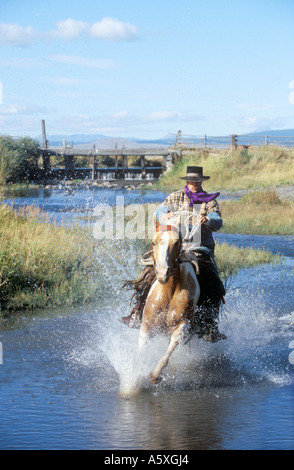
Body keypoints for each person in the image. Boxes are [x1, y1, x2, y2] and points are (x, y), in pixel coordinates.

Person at [121, 166, 226, 343]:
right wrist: (165, 214)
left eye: (198, 181)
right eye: (192, 181)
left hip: (198, 249)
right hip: (174, 246)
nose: (195, 184)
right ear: (187, 181)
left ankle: (210, 326)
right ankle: (137, 312)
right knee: (148, 274)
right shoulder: (175, 196)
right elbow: (159, 211)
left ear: (201, 182)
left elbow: (217, 220)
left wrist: (208, 219)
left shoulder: (209, 202)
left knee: (213, 282)